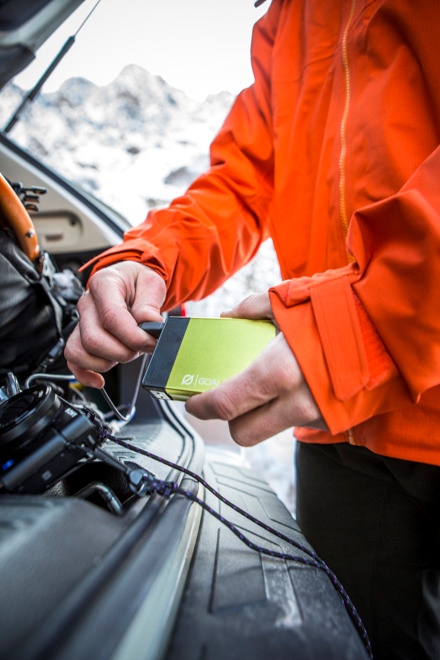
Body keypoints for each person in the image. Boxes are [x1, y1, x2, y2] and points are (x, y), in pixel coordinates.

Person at [64, 1, 440, 658]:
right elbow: (242, 182)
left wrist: (368, 320)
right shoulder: (290, 21)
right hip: (330, 414)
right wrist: (151, 258)